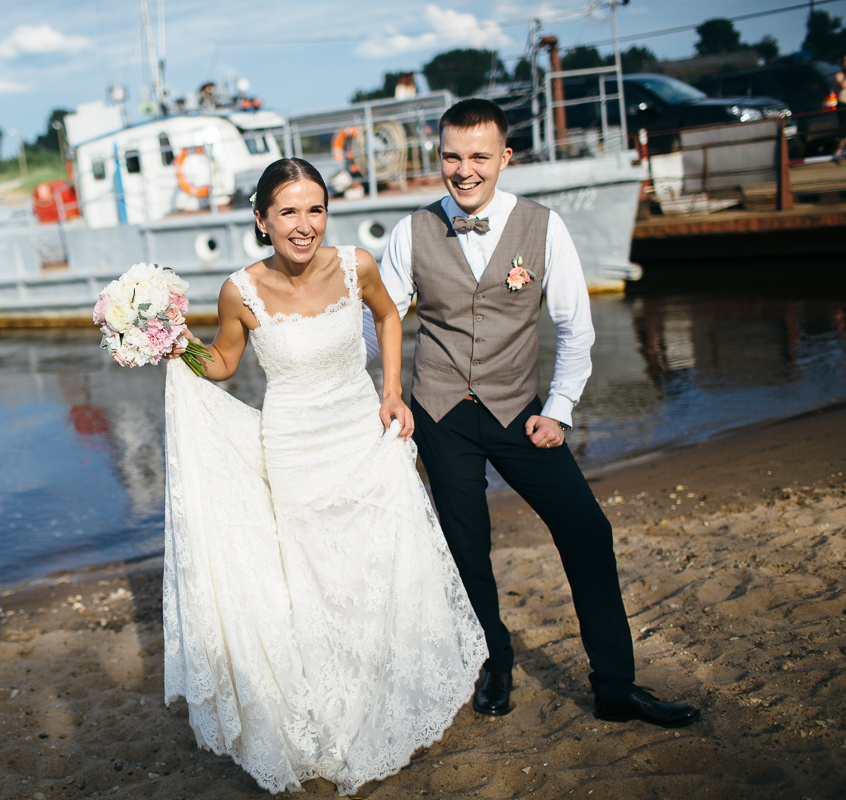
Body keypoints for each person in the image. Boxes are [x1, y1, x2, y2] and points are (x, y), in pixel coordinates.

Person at [363, 99, 700, 728]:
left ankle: (615, 686)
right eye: (452, 156)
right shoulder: (411, 233)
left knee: (588, 532)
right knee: (467, 546)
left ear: (505, 159)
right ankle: (495, 656)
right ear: (440, 157)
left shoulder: (544, 227)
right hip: (439, 413)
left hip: (521, 412)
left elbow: (576, 329)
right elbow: (376, 322)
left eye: (479, 157)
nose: (465, 170)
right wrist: (382, 396)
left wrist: (561, 410)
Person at [162, 157, 487, 794]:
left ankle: (387, 692)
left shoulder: (355, 266)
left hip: (361, 436)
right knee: (317, 581)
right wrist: (167, 343)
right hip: (294, 452)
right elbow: (225, 361)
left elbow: (392, 317)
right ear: (261, 220)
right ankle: (331, 710)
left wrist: (392, 392)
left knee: (376, 569)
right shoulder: (240, 290)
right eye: (287, 211)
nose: (304, 224)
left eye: (315, 209)